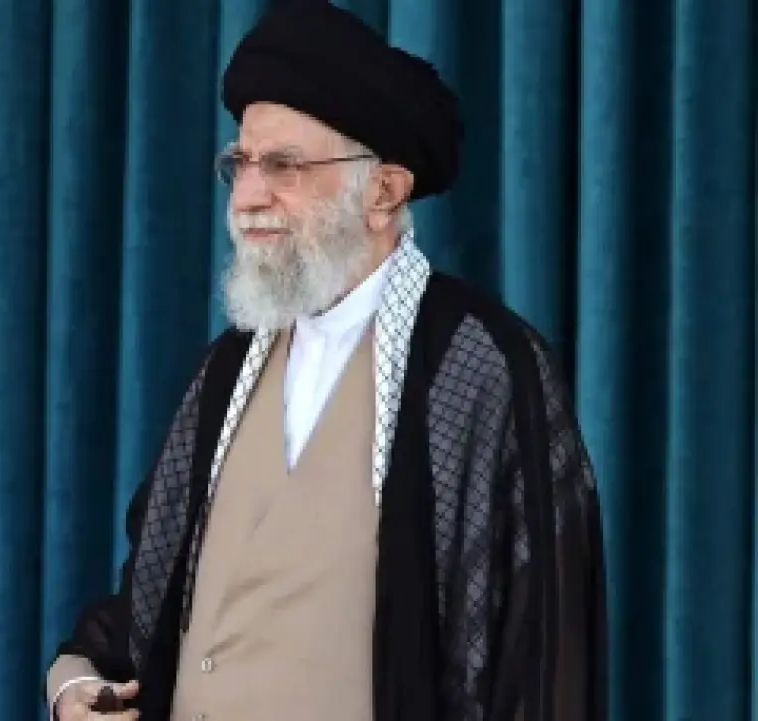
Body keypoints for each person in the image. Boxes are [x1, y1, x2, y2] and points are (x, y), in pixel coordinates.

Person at [43, 2, 608, 720]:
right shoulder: (227, 371)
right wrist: (74, 687)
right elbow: (148, 606)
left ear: (383, 192)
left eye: (283, 166)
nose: (248, 197)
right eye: (240, 165)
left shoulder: (481, 367)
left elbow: (541, 655)